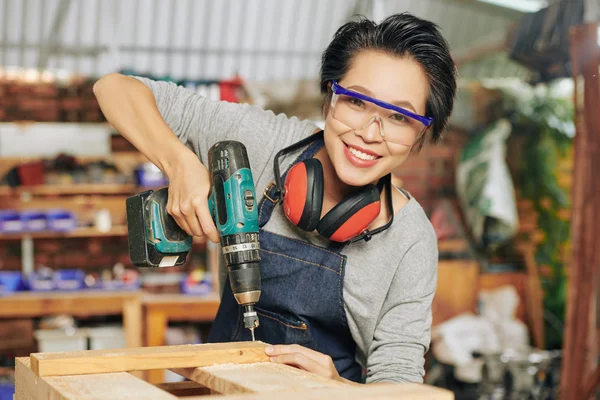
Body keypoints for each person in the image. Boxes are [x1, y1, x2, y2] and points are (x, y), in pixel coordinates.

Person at [94, 12, 457, 385]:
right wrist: (180, 163)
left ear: (421, 136)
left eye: (399, 117)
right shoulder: (263, 145)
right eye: (357, 102)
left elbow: (399, 384)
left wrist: (338, 389)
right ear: (330, 97)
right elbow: (113, 88)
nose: (369, 133)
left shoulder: (410, 240)